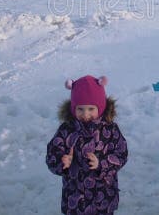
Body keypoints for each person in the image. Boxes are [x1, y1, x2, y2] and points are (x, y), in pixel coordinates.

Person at [46, 75, 128, 214]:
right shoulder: (67, 130)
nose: (85, 114)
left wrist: (101, 163)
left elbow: (121, 154)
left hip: (104, 197)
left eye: (91, 109)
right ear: (73, 108)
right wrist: (62, 161)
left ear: (101, 107)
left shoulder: (110, 129)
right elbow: (52, 153)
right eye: (80, 109)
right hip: (75, 199)